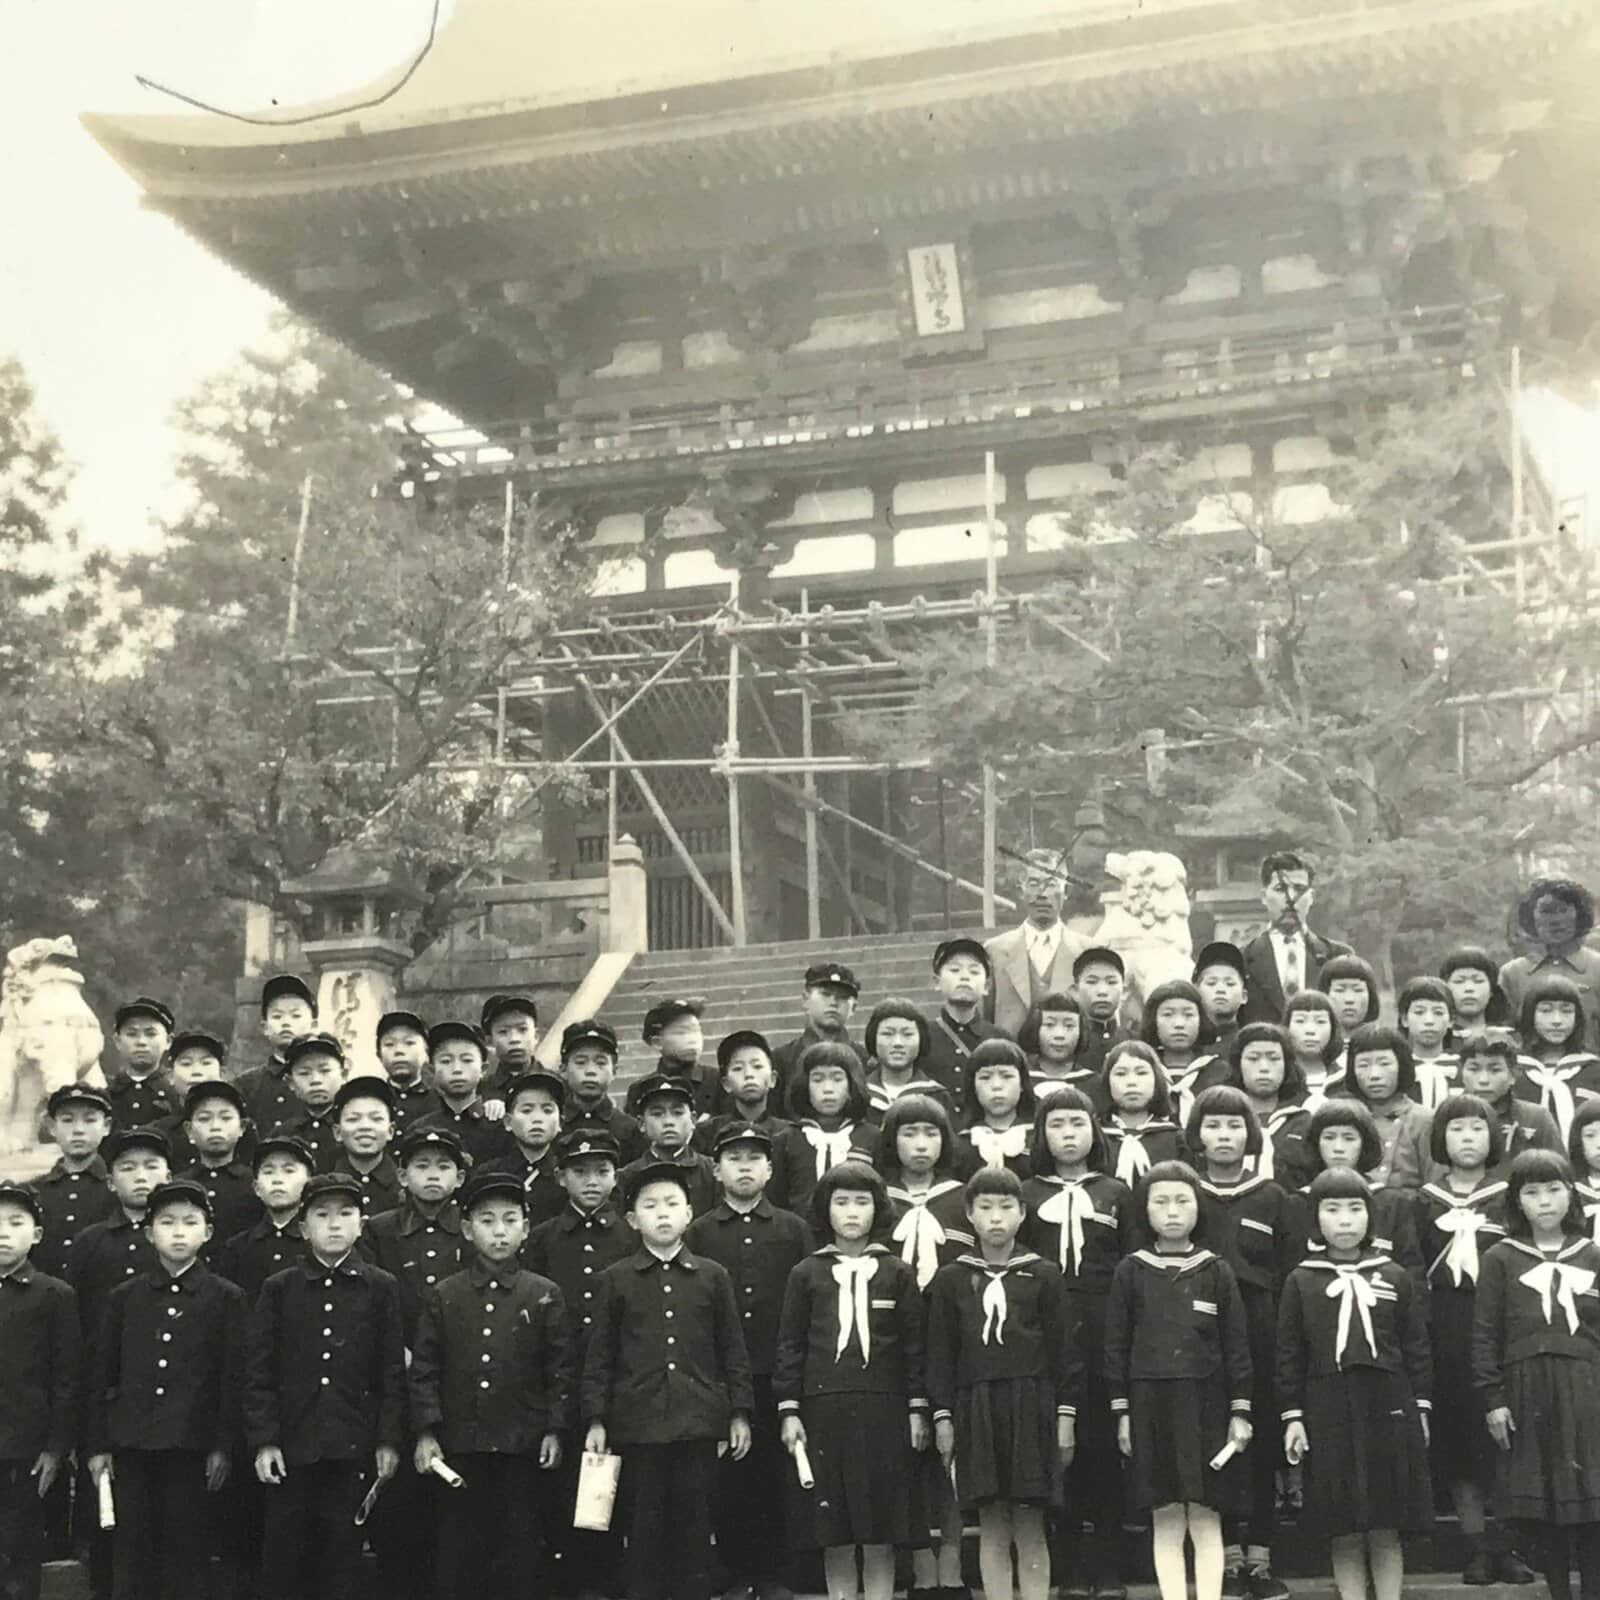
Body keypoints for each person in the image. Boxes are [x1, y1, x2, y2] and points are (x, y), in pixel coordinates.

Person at [581, 1163, 755, 1600]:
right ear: (632, 1219)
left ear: (689, 1213)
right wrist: (596, 1419)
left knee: (695, 1529)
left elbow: (731, 1349)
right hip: (637, 1427)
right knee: (644, 1528)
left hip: (698, 1423)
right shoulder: (615, 1279)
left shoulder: (712, 1276)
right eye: (650, 1205)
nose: (662, 1213)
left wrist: (738, 1412)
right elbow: (600, 1355)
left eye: (672, 1204)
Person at [410, 1169, 572, 1600]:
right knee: (461, 1550)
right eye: (486, 1220)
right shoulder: (445, 1294)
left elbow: (559, 1369)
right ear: (466, 1229)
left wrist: (555, 1429)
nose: (499, 1232)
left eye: (509, 1219)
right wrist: (426, 1432)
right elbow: (424, 1368)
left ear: (526, 1226)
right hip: (461, 1446)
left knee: (521, 1549)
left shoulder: (544, 1294)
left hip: (523, 1443)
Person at [245, 1171, 405, 1600]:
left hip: (352, 1446)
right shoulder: (280, 1288)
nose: (334, 1224)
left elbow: (391, 1372)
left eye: (345, 1213)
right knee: (285, 1558)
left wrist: (388, 1441)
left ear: (361, 1223)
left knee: (342, 1560)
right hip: (293, 1448)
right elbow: (258, 1372)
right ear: (302, 1227)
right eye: (321, 1214)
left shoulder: (381, 1288)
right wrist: (266, 1441)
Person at [773, 1160, 928, 1600]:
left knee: (879, 1526)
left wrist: (917, 1407)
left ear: (878, 1210)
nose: (852, 1212)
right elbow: (791, 1346)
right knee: (834, 1528)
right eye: (841, 1202)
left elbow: (914, 1346)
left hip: (885, 1409)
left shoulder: (897, 1272)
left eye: (862, 1202)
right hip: (825, 1409)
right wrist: (790, 1410)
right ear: (825, 1211)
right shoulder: (806, 1274)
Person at [85, 1178, 246, 1600]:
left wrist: (222, 1446)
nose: (179, 1232)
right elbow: (103, 1375)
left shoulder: (226, 1298)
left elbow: (232, 1380)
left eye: (190, 1222)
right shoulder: (125, 1297)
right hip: (132, 1445)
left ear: (208, 1232)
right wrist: (98, 1446)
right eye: (168, 1222)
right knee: (132, 1552)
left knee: (186, 1553)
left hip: (191, 1447)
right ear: (149, 1231)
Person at [1276, 1170, 1433, 1600]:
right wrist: (1293, 1416)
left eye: (1355, 1209)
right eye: (1332, 1210)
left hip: (1387, 1405)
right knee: (1342, 1523)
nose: (1345, 1220)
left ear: (1371, 1217)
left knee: (1385, 1522)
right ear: (1315, 1220)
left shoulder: (1395, 1275)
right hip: (1328, 1406)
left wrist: (1420, 1408)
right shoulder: (1301, 1280)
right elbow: (1290, 1355)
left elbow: (1415, 1346)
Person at [1104, 1161, 1253, 1600]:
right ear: (1145, 1210)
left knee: (1207, 1515)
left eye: (1182, 1201)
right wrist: (1123, 1414)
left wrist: (1239, 1410)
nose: (1172, 1211)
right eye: (1161, 1202)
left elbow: (1236, 1347)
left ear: (1198, 1208)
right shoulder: (1130, 1271)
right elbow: (1116, 1347)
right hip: (1150, 1404)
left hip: (1206, 1405)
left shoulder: (1216, 1270)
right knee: (1167, 1514)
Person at [929, 1167, 1079, 1600]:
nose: (996, 1218)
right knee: (992, 1520)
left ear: (1022, 1213)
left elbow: (1064, 1353)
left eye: (1006, 1207)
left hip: (1031, 1404)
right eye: (985, 1208)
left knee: (1030, 1521)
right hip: (976, 1406)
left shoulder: (1043, 1274)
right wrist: (944, 1418)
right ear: (970, 1216)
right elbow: (941, 1354)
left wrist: (1065, 1417)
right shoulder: (952, 1278)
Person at [686, 1123, 814, 1600]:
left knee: (776, 1474)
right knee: (730, 1477)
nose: (745, 1167)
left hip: (777, 1370)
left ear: (770, 1169)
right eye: (734, 1158)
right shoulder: (699, 1231)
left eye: (754, 1158)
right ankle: (738, 1573)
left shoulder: (792, 1229)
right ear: (717, 1170)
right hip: (720, 1375)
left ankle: (776, 1574)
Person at [1413, 1096, 1533, 1586]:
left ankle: (1508, 1544)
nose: (1467, 1138)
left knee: (1504, 1437)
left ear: (1494, 1138)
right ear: (1441, 1138)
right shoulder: (1422, 1200)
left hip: (1504, 1326)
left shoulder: (1508, 1198)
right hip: (1447, 1326)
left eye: (1477, 1129)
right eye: (1457, 1129)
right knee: (1461, 1438)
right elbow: (1414, 1267)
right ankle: (1476, 1545)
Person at [1472, 1150, 1600, 1600]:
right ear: (1517, 1201)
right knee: (1545, 1507)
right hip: (1528, 1392)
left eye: (1553, 1190)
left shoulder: (1592, 1255)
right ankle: (1559, 1592)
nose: (1544, 1201)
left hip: (1586, 1392)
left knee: (1589, 1502)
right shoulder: (1500, 1258)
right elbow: (1485, 1333)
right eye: (1531, 1192)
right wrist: (1493, 1398)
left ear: (1571, 1195)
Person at [1021, 1087, 1132, 1600]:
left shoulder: (1115, 1193)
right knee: (1055, 1447)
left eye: (1077, 1123)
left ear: (1095, 1131)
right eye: (1057, 1125)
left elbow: (1130, 1268)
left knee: (1103, 1445)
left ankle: (1108, 1567)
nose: (1068, 1135)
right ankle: (1065, 1566)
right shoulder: (1026, 1194)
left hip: (1103, 1325)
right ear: (1042, 1135)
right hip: (1045, 1330)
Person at [1188, 1087, 1292, 1600]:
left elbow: (1289, 1271)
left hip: (1261, 1327)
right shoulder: (1186, 1190)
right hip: (1201, 1328)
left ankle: (1261, 1557)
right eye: (1213, 1126)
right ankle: (1226, 1557)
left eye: (1234, 1126)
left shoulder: (1271, 1196)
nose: (1224, 1136)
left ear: (1250, 1134)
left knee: (1263, 1437)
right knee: (1218, 1437)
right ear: (1197, 1135)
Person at [524, 1128, 632, 1600]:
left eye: (602, 1171)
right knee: (561, 1487)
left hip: (618, 1380)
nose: (592, 1181)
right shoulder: (545, 1238)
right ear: (561, 1177)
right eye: (580, 1172)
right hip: (558, 1379)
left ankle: (607, 1582)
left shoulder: (631, 1234)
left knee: (613, 1494)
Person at [878, 1093, 973, 1600]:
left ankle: (953, 1560)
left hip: (953, 1337)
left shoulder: (961, 1198)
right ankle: (918, 1563)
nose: (920, 1144)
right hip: (895, 1340)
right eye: (910, 1134)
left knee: (949, 1446)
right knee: (907, 1450)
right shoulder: (880, 1199)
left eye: (931, 1134)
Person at [0, 1181, 78, 1600]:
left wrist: (55, 1448)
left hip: (25, 1451)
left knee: (19, 1554)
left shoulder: (53, 1295)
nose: (2, 1233)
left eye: (15, 1223)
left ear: (37, 1234)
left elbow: (66, 1379)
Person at [1288, 1102, 1423, 1284]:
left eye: (1349, 1138)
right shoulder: (1298, 1203)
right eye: (1329, 1137)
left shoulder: (1391, 1202)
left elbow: (1412, 1274)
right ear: (1315, 1143)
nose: (1338, 1147)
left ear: (1365, 1144)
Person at [985, 849, 1092, 1039]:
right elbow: (983, 1022)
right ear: (1021, 891)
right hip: (1011, 1062)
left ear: (1065, 891)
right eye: (1034, 884)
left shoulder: (1088, 951)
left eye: (1051, 884)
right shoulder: (994, 951)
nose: (1042, 894)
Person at [1237, 853, 1352, 1027]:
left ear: (1311, 897)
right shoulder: (1241, 959)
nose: (1290, 899)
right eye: (1280, 889)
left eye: (1299, 889)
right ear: (1263, 896)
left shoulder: (1338, 957)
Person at [773, 1043, 878, 1220]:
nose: (828, 1088)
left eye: (837, 1079)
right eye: (817, 1079)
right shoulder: (786, 1140)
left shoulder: (872, 1137)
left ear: (851, 1084)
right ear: (805, 1086)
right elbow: (777, 1201)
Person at [1498, 880, 1600, 1053]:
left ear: (1579, 914)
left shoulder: (1597, 967)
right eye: (1546, 911)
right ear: (1531, 916)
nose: (1556, 920)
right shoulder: (1512, 974)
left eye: (1563, 910)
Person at [31, 1083, 115, 1283]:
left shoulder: (119, 1190)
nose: (78, 1130)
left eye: (89, 1120)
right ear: (52, 1127)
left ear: (106, 1126)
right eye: (67, 1120)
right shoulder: (33, 1192)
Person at [215, 1132, 314, 1296]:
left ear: (309, 1182)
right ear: (256, 1188)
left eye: (289, 1170)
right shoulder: (237, 1248)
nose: (277, 1179)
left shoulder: (319, 1244)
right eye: (268, 1172)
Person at [922, 939, 1012, 1118]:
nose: (964, 977)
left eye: (974, 971)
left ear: (986, 986)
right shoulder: (921, 1036)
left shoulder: (1001, 1039)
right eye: (954, 970)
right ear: (937, 982)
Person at [1337, 1024, 1433, 1190]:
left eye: (1384, 1063)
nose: (1374, 1075)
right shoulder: (1343, 1117)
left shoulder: (1425, 1120)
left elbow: (1435, 1187)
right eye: (1363, 1065)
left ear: (1401, 1065)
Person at [1514, 977, 1600, 1146]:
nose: (1557, 1020)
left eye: (1566, 1011)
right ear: (1530, 1015)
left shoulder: (1594, 1069)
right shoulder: (1513, 1069)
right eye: (1545, 1011)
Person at [618, 1074, 720, 1217]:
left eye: (677, 1113)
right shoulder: (626, 1177)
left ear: (693, 1120)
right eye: (658, 1114)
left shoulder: (713, 1173)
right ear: (641, 1124)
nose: (668, 1122)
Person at [176, 1079, 263, 1248]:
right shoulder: (178, 1185)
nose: (215, 1126)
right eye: (204, 1118)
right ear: (189, 1130)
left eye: (225, 1118)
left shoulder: (255, 1184)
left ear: (242, 1127)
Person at [1226, 1025, 1313, 1190]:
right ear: (1238, 1064)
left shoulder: (1305, 1121)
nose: (1264, 1068)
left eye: (1274, 1058)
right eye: (1253, 1058)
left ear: (1287, 1065)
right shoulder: (1220, 1118)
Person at [416, 1022, 514, 1168]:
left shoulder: (500, 1126)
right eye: (446, 1061)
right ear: (432, 1070)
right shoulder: (422, 1128)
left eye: (467, 1060)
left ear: (483, 1069)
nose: (457, 1069)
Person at [236, 975, 319, 1135]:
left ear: (314, 1025)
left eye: (296, 1015)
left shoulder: (325, 1080)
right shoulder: (247, 1085)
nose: (286, 1022)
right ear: (265, 1027)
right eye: (277, 1016)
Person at [489, 1069, 569, 1224]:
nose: (537, 1118)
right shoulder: (491, 1173)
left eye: (547, 1110)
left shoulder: (568, 1176)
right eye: (526, 1110)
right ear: (508, 1122)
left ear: (560, 1123)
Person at [558, 1019, 645, 1162]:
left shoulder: (630, 1130)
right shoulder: (553, 1127)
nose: (591, 1071)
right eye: (580, 1062)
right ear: (563, 1070)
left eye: (601, 1063)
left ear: (614, 1071)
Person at [1100, 1042, 1184, 1189]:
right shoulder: (1097, 1139)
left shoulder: (1176, 1139)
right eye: (1120, 1074)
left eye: (1141, 1073)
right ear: (1107, 1082)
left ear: (1156, 1080)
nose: (1132, 1082)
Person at [1142, 980, 1226, 1126]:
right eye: (1168, 1015)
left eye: (1188, 1014)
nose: (1179, 1024)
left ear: (1201, 1020)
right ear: (1153, 1021)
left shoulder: (1221, 1072)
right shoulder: (1142, 1071)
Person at [773, 962, 862, 1093]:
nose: (833, 1002)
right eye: (825, 994)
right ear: (805, 999)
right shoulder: (781, 1061)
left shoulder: (864, 1059)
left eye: (842, 997)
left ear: (853, 1007)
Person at [154, 1029, 234, 1173]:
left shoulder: (239, 1127)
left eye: (206, 1062)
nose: (196, 1071)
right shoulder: (159, 1133)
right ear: (170, 1076)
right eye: (186, 1063)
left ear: (222, 1073)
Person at [697, 1029, 792, 1150]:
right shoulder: (706, 1134)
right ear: (726, 1084)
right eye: (738, 1068)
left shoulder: (789, 1134)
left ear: (773, 1079)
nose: (748, 1074)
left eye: (757, 1066)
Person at [624, 999, 714, 1118]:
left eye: (696, 1030)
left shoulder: (717, 1081)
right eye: (681, 1032)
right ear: (657, 1042)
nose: (693, 1039)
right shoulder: (640, 1089)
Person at [959, 1039, 1036, 1176]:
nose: (996, 1085)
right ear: (973, 1087)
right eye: (985, 1077)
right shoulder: (963, 1144)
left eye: (1006, 1076)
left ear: (1022, 1084)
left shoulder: (1038, 1140)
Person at [862, 1000, 948, 1119]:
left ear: (921, 1040)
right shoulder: (859, 1095)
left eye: (907, 1034)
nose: (898, 1043)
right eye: (887, 1034)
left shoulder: (937, 1096)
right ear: (873, 1039)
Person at [329, 1076, 401, 1215]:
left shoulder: (406, 1186)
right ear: (337, 1132)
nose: (365, 1126)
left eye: (376, 1119)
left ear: (390, 1131)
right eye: (353, 1119)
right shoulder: (325, 1185)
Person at [102, 997, 177, 1131]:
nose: (141, 1041)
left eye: (151, 1034)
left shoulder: (177, 1095)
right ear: (117, 1041)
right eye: (132, 1034)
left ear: (168, 1041)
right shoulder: (105, 1098)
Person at [278, 1032, 348, 1173]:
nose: (316, 1080)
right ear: (290, 1082)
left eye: (325, 1070)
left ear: (344, 1075)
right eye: (304, 1073)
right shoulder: (283, 1134)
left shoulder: (352, 1129)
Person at [1018, 993, 1102, 1110]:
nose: (1059, 1035)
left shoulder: (1095, 1084)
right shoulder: (1020, 1080)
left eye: (1069, 1026)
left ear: (1081, 1030)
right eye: (1049, 1025)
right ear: (1035, 1028)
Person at [1397, 976, 1462, 1114]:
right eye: (1419, 1012)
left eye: (1438, 1012)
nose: (1429, 1021)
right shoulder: (1396, 1068)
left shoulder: (1463, 1067)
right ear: (1404, 1019)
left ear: (1451, 1020)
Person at [375, 1010, 440, 1134]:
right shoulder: (372, 1100)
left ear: (426, 1052)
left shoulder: (440, 1101)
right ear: (379, 1054)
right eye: (389, 1044)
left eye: (409, 1043)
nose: (399, 1051)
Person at [1073, 948, 1134, 1077]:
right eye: (1092, 982)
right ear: (1075, 990)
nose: (1102, 991)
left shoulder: (1136, 1042)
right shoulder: (1069, 1044)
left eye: (1111, 982)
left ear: (1125, 991)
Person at [1283, 991, 1345, 1107]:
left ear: (1333, 1028)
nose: (1310, 1030)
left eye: (1320, 1021)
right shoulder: (1279, 1081)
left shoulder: (1344, 1079)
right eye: (1300, 1021)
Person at [481, 993, 541, 1103]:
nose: (514, 1039)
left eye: (522, 1029)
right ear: (490, 1042)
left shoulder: (559, 1087)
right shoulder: (480, 1092)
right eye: (503, 1031)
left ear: (536, 1036)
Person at [1193, 944, 1249, 1056]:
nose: (1220, 990)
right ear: (1196, 992)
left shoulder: (1248, 1046)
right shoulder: (1187, 1045)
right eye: (1211, 983)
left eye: (1230, 984)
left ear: (1244, 996)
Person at [1440, 949, 1512, 1032]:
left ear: (1491, 990)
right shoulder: (1438, 1038)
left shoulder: (1508, 1038)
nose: (1469, 988)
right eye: (1459, 981)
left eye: (1478, 981)